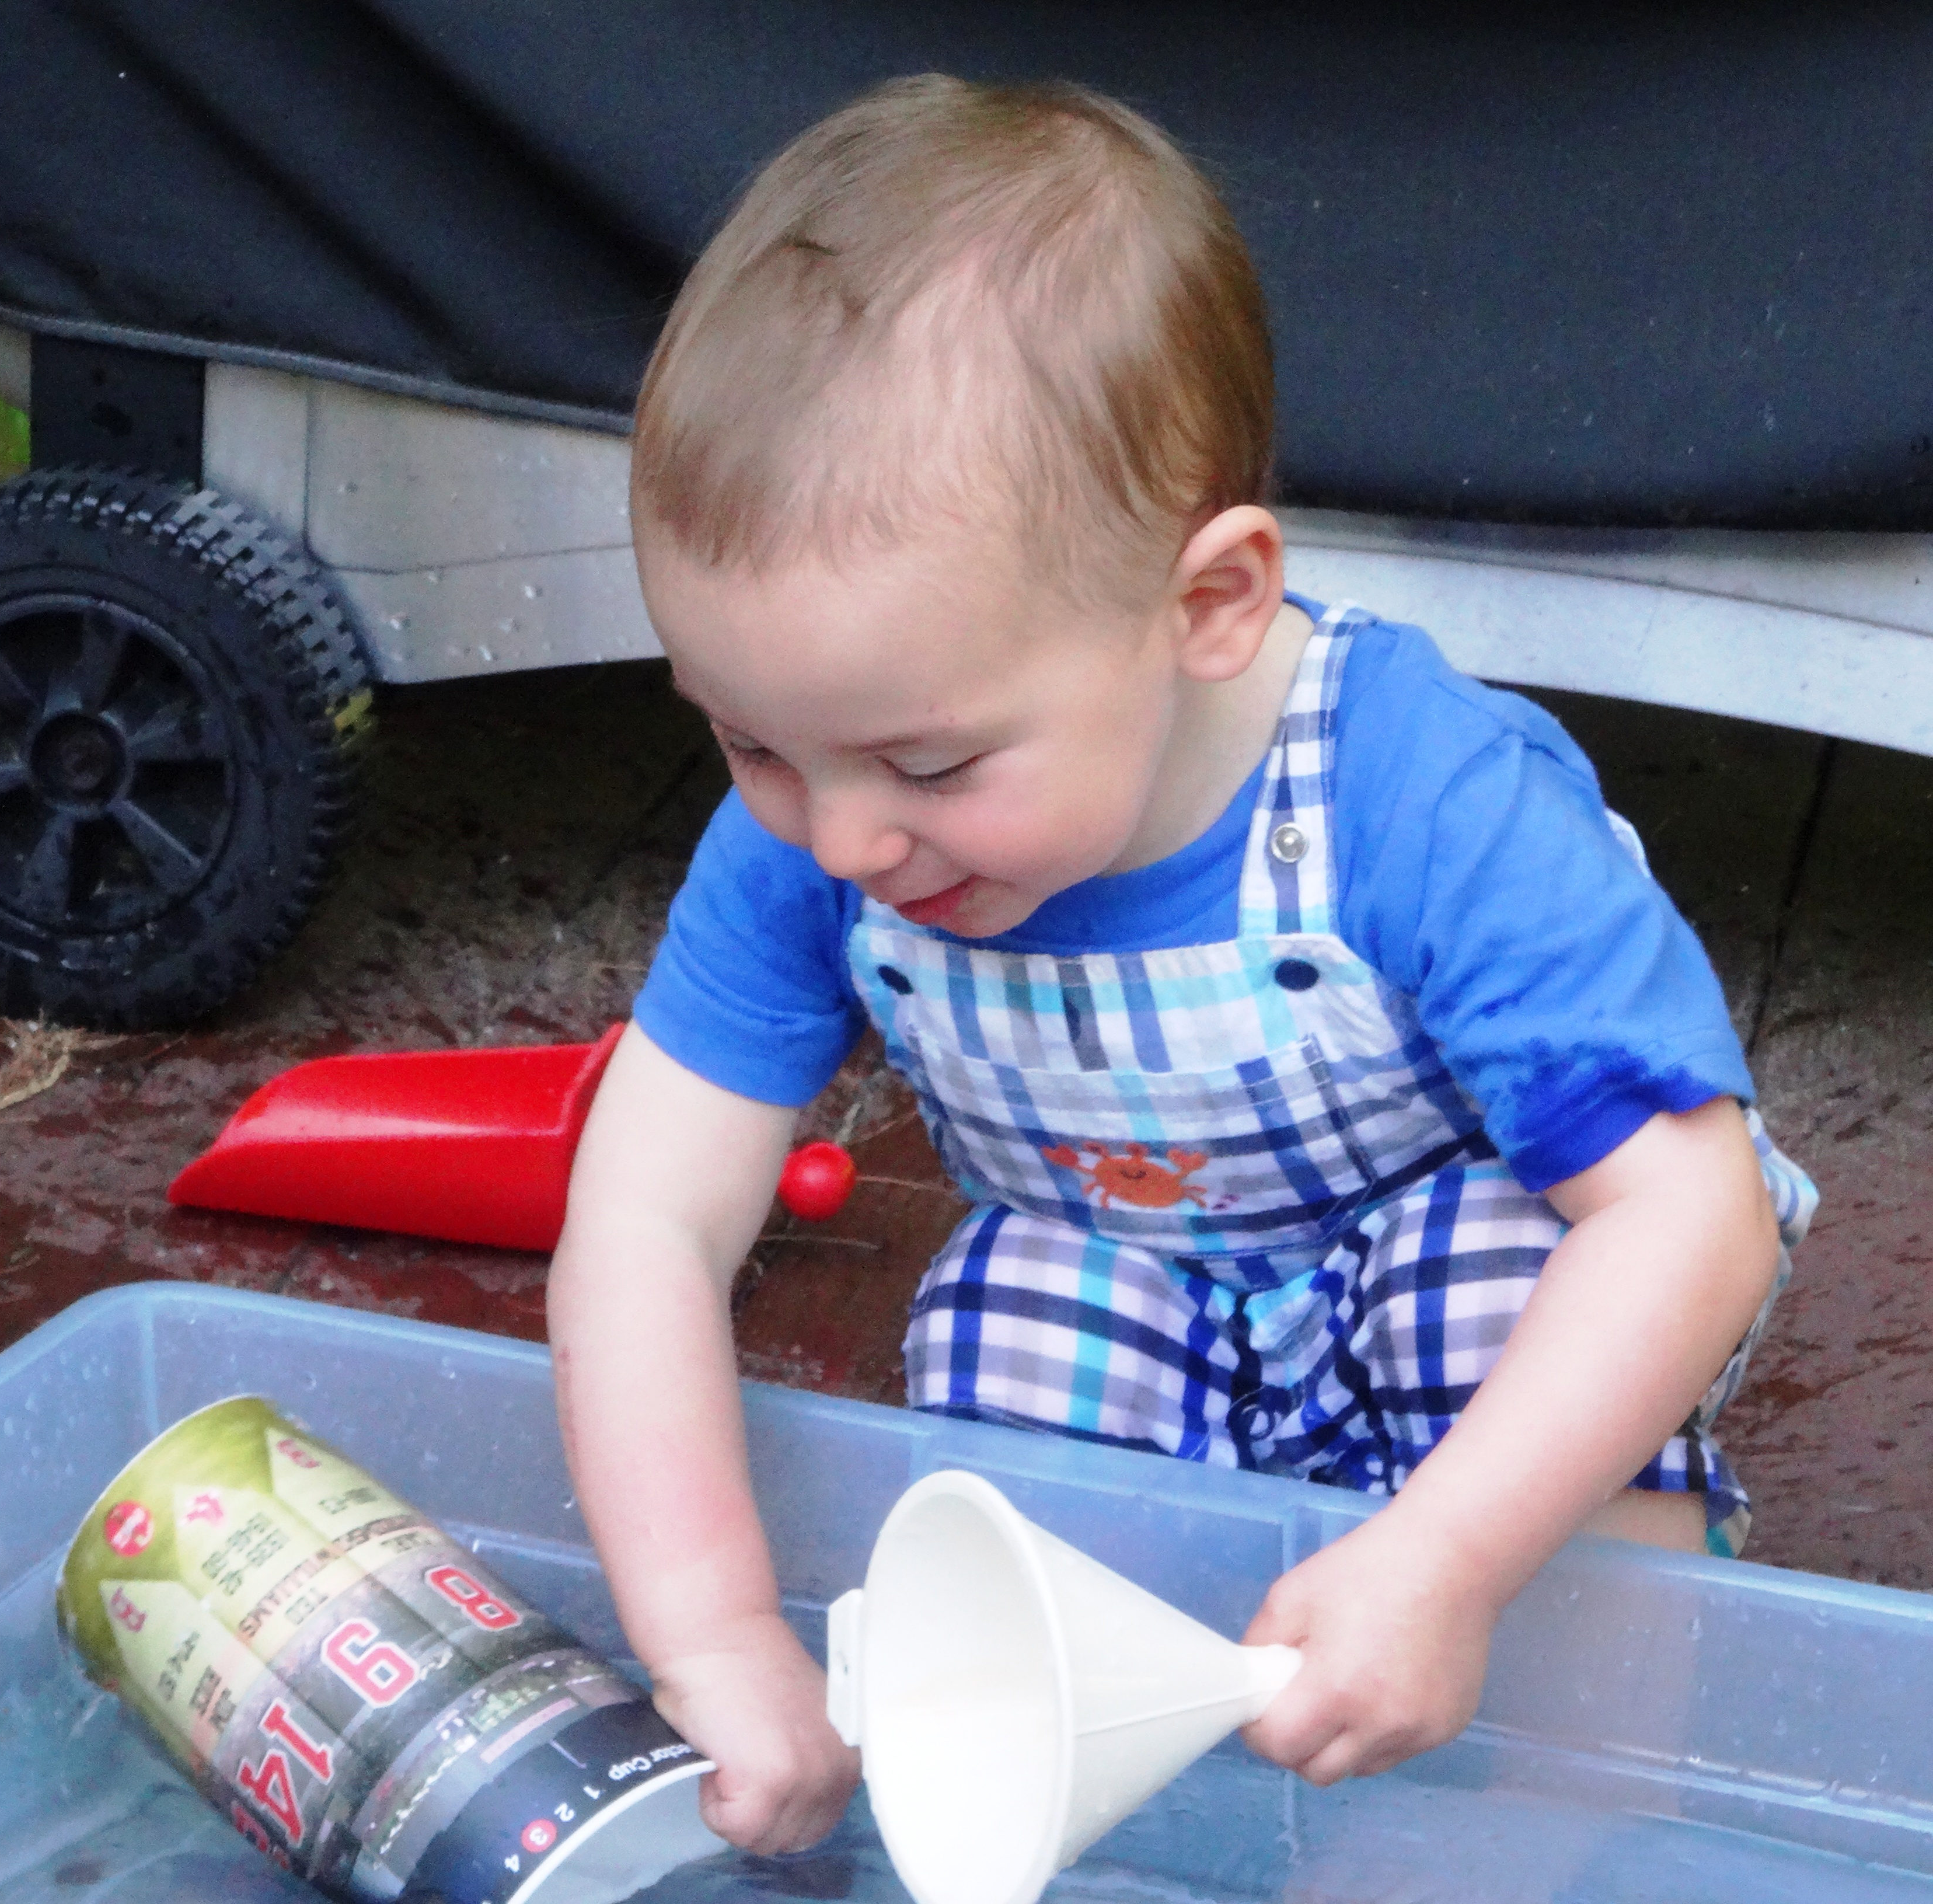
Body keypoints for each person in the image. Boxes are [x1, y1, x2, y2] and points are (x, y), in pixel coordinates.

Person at [545, 74, 1817, 1857]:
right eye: (747, 740)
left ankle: (1569, 1816)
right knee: (1007, 1311)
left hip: (1481, 1327)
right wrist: (715, 1638)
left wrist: (1449, 1556)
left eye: (928, 765)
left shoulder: (1422, 796)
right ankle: (1148, 1779)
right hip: (1155, 1293)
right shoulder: (830, 815)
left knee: (1486, 1276)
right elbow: (646, 1223)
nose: (839, 841)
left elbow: (1692, 1215)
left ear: (1209, 605)